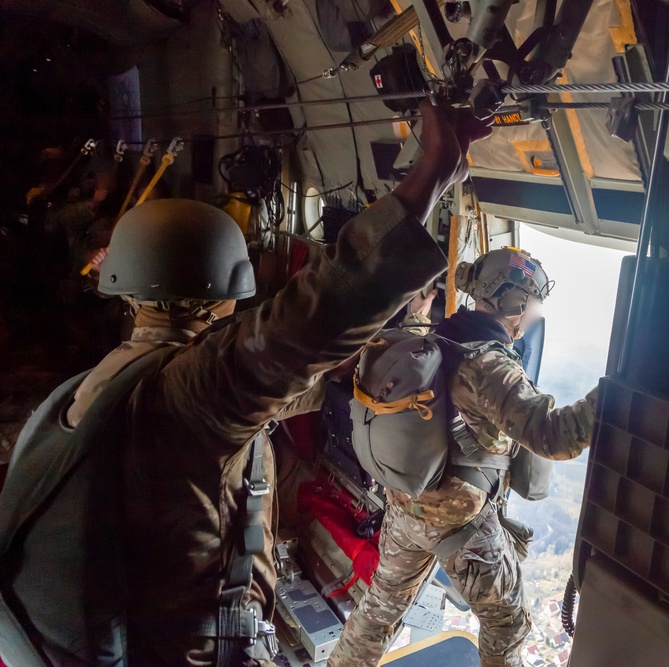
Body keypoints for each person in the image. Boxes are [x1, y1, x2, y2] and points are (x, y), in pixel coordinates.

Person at [0, 99, 491, 667]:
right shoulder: (194, 392)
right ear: (226, 288)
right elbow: (318, 316)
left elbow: (266, 395)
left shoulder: (108, 382)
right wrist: (429, 176)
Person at [331, 247, 599, 667]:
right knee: (508, 628)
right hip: (460, 527)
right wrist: (616, 393)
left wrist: (418, 314)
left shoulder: (438, 336)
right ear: (514, 302)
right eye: (533, 303)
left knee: (381, 607)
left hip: (405, 509)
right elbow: (553, 436)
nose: (534, 314)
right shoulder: (490, 366)